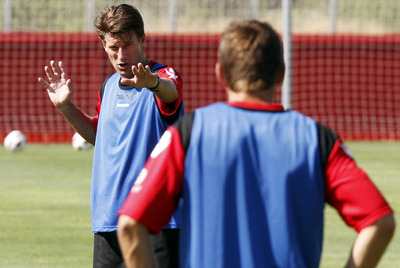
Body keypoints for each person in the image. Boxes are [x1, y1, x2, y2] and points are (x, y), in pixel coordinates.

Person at [117, 20, 395, 268]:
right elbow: (380, 222)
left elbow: (130, 226)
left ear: (220, 74)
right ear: (281, 74)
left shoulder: (188, 134)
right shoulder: (317, 139)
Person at [38, 4, 184, 268]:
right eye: (113, 48)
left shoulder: (162, 76)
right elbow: (99, 136)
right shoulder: (108, 87)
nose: (120, 55)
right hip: (109, 218)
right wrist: (65, 107)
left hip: (157, 221)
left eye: (127, 45)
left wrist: (151, 83)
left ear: (143, 40)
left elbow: (170, 93)